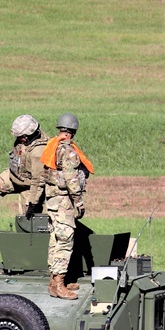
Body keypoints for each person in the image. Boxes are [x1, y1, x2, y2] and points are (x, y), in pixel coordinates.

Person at [40, 113, 94, 300]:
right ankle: (60, 285)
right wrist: (78, 201)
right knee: (64, 240)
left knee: (55, 239)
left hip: (52, 200)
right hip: (63, 201)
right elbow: (71, 179)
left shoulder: (52, 146)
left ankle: (54, 282)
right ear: (73, 131)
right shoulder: (67, 150)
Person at [0, 115, 49, 236]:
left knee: (28, 220)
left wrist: (32, 204)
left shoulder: (38, 152)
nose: (18, 139)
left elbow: (38, 181)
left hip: (30, 184)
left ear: (28, 135)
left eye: (20, 137)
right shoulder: (26, 138)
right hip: (15, 175)